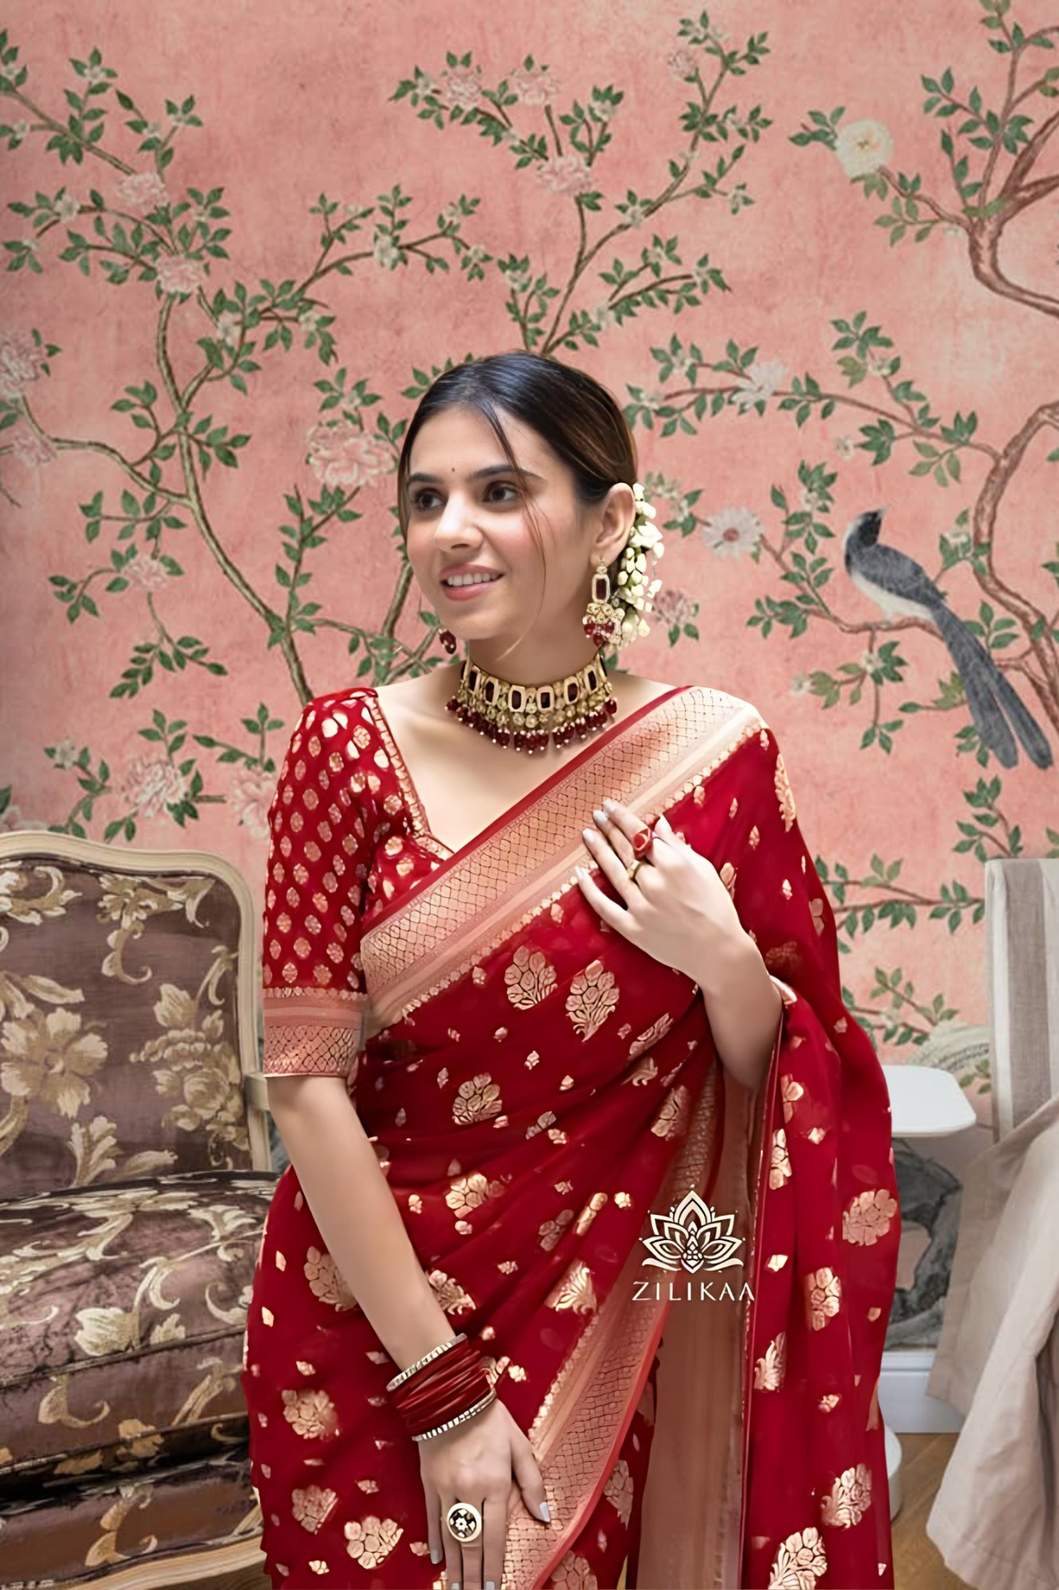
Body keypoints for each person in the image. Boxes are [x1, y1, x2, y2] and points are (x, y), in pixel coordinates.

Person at [241, 350, 900, 1590]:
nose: (453, 533)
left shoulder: (716, 760)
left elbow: (788, 1075)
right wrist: (443, 1396)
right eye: (425, 499)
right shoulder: (348, 750)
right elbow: (303, 1085)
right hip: (378, 1323)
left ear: (611, 523)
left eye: (500, 491)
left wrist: (721, 963)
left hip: (650, 1292)